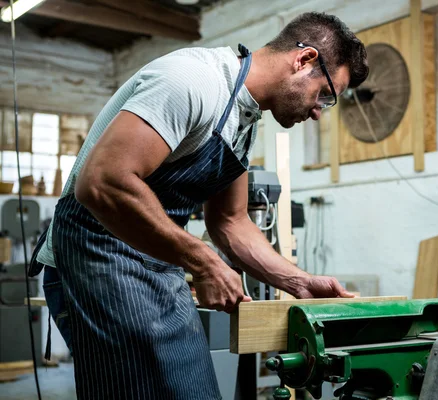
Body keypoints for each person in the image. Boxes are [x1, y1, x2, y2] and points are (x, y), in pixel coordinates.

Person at [28, 11, 369, 400]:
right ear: (304, 60)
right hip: (95, 256)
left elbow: (229, 220)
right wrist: (204, 262)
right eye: (325, 94)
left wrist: (298, 282)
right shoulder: (193, 81)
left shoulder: (244, 117)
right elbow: (104, 182)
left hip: (157, 263)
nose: (318, 111)